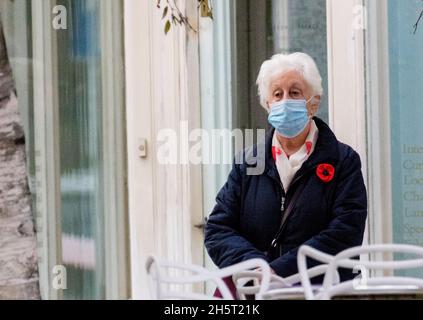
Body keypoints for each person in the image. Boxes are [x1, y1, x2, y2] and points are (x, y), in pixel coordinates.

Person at [205, 52, 368, 284]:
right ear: (268, 104)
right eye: (277, 94)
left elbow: (345, 234)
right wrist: (257, 268)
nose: (284, 101)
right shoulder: (248, 163)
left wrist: (279, 271)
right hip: (259, 294)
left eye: (294, 93)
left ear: (313, 102)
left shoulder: (343, 161)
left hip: (321, 292)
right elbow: (218, 230)